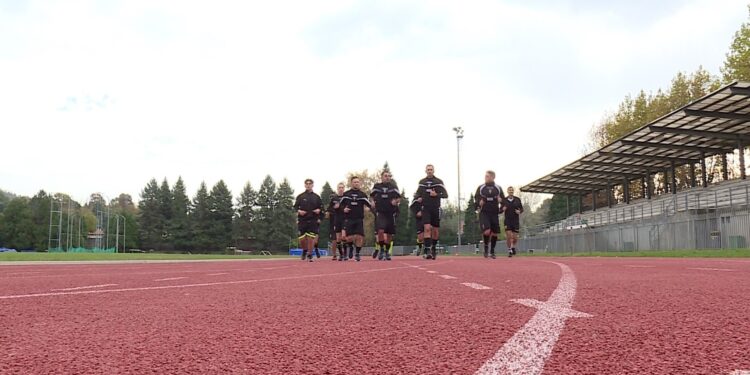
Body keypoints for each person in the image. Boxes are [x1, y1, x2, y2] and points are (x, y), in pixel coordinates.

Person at [415, 164, 448, 260]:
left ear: (434, 171)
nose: (429, 171)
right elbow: (417, 193)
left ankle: (433, 247)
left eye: (431, 169)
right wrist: (418, 198)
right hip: (425, 208)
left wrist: (436, 194)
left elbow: (445, 195)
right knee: (427, 228)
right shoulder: (422, 182)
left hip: (436, 208)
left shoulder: (438, 182)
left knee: (435, 231)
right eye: (428, 169)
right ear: (425, 171)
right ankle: (427, 250)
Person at [474, 170, 505, 259]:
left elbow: (503, 201)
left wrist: (501, 202)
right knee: (487, 231)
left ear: (493, 177)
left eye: (487, 176)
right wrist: (478, 204)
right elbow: (476, 199)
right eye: (485, 176)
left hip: (494, 212)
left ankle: (492, 251)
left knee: (495, 233)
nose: (486, 178)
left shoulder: (498, 188)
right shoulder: (481, 187)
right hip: (484, 212)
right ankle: (486, 247)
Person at [370, 171, 401, 261]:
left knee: (389, 234)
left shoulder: (393, 187)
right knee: (380, 231)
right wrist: (372, 202)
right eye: (385, 176)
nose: (387, 177)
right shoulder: (377, 186)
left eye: (388, 176)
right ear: (381, 177)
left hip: (391, 213)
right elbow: (371, 196)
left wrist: (396, 201)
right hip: (380, 212)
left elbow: (399, 197)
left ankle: (387, 251)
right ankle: (382, 249)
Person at [341, 176, 371, 262]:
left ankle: (357, 254)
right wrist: (343, 209)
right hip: (348, 219)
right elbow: (340, 205)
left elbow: (369, 204)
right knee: (349, 238)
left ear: (359, 183)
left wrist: (369, 208)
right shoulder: (346, 194)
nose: (356, 183)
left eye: (358, 182)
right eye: (354, 182)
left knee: (359, 236)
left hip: (359, 219)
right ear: (351, 183)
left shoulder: (362, 194)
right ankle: (350, 247)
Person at [294, 179, 323, 262]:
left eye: (310, 184)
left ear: (312, 185)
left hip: (313, 220)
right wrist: (299, 211)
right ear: (304, 185)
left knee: (311, 238)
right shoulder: (300, 196)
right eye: (307, 184)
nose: (308, 185)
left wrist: (319, 213)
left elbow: (322, 209)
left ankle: (310, 254)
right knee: (302, 239)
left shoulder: (317, 197)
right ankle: (305, 250)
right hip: (302, 220)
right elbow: (295, 207)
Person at [326, 182, 347, 261]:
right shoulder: (334, 199)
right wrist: (329, 211)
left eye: (342, 187)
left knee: (344, 236)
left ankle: (345, 254)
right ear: (337, 189)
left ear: (344, 188)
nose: (341, 189)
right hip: (336, 219)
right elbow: (329, 208)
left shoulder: (346, 197)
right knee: (337, 238)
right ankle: (341, 255)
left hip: (345, 219)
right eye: (339, 187)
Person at [502, 186, 524, 257]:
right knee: (509, 236)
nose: (511, 191)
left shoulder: (517, 199)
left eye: (512, 190)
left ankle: (513, 246)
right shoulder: (504, 200)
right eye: (509, 190)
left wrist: (519, 211)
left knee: (515, 238)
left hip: (515, 221)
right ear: (507, 191)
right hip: (507, 220)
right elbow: (500, 210)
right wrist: (503, 209)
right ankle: (509, 250)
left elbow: (521, 209)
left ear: (513, 191)